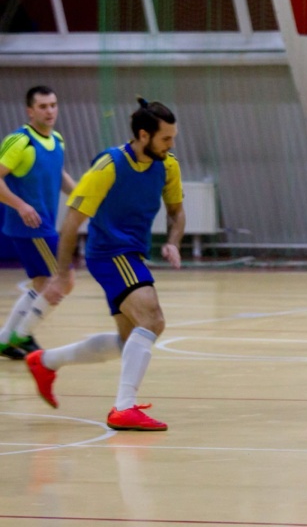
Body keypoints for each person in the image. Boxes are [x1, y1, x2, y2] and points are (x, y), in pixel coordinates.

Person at [25, 97, 184, 431]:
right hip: (110, 252)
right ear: (143, 135)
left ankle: (46, 362)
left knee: (128, 341)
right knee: (152, 319)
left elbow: (176, 211)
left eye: (173, 138)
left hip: (131, 252)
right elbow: (72, 221)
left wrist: (173, 241)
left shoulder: (168, 165)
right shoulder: (109, 166)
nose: (171, 145)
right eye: (165, 138)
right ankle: (123, 408)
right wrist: (60, 274)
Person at [0, 86, 77, 360]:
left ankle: (6, 340)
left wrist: (82, 197)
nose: (49, 111)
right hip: (31, 226)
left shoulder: (57, 140)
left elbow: (58, 173)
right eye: (43, 106)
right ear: (30, 111)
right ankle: (22, 335)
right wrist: (20, 205)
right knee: (65, 280)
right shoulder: (20, 141)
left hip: (42, 225)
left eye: (53, 105)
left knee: (42, 284)